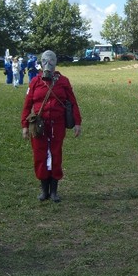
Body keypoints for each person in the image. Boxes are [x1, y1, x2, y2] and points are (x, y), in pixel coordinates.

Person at [21, 50, 82, 203]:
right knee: (40, 156)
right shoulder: (35, 81)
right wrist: (25, 126)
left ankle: (54, 191)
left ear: (55, 62)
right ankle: (44, 190)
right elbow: (27, 104)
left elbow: (73, 102)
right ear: (41, 63)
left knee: (55, 155)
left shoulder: (63, 81)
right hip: (39, 127)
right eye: (45, 61)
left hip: (57, 126)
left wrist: (77, 123)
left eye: (51, 61)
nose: (48, 64)